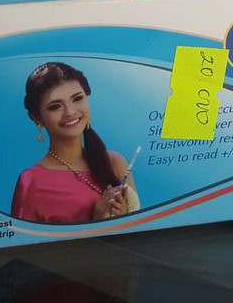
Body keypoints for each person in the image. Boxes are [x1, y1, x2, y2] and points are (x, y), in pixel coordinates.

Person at [11, 62, 141, 224]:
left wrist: (121, 216)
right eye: (55, 107)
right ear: (37, 117)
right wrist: (98, 222)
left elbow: (138, 232)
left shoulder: (114, 163)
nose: (70, 112)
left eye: (77, 99)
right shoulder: (31, 183)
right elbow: (23, 239)